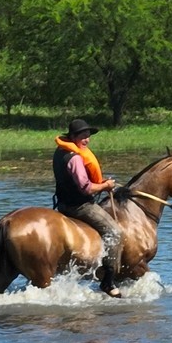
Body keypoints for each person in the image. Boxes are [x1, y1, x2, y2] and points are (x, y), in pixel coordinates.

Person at [52, 117, 124, 295]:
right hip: (79, 206)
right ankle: (108, 281)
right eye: (83, 136)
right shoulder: (75, 158)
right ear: (74, 137)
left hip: (62, 203)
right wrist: (106, 186)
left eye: (88, 136)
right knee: (115, 232)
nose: (87, 139)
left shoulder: (59, 152)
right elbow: (86, 188)